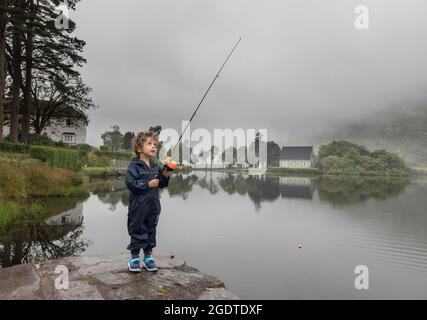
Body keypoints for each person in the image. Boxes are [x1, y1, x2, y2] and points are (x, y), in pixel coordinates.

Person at [125, 131, 172, 272]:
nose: (153, 147)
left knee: (151, 230)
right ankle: (134, 258)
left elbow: (161, 183)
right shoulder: (134, 167)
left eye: (155, 144)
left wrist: (167, 173)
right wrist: (146, 185)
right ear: (139, 149)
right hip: (138, 206)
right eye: (149, 144)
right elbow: (130, 184)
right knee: (137, 229)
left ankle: (147, 257)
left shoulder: (156, 166)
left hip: (153, 205)